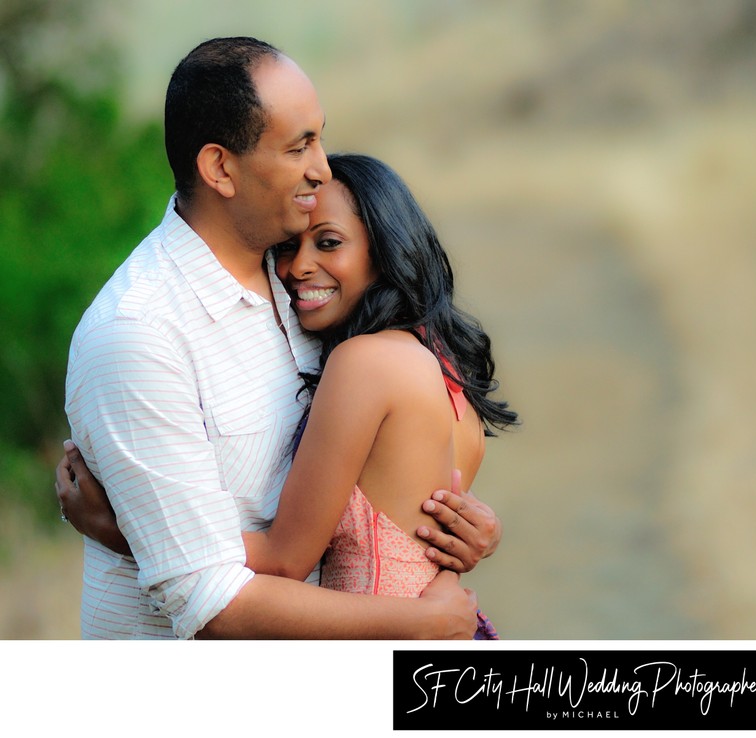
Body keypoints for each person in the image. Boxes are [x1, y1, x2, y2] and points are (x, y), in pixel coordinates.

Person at [58, 36, 501, 640]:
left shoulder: (309, 289)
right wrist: (421, 616)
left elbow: (392, 473)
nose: (321, 167)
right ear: (219, 168)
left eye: (319, 136)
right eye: (299, 146)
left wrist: (449, 535)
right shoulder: (139, 334)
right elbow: (209, 601)